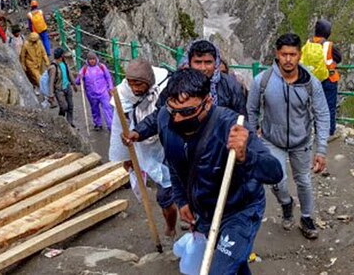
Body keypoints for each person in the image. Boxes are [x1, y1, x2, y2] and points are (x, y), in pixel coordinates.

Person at [124, 68, 283, 274]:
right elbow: (175, 165)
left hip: (240, 210)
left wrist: (246, 156)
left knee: (219, 270)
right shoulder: (165, 119)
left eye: (188, 112)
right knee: (233, 261)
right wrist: (182, 200)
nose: (179, 119)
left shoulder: (231, 128)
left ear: (208, 103)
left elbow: (275, 173)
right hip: (206, 211)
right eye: (174, 110)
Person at [247, 33, 330, 240]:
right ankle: (286, 203)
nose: (288, 59)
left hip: (302, 141)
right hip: (271, 140)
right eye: (284, 54)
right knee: (277, 180)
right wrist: (253, 136)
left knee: (304, 181)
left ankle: (307, 217)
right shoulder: (263, 81)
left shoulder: (311, 83)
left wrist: (321, 150)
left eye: (293, 54)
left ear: (300, 55)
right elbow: (251, 110)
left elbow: (322, 114)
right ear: (277, 54)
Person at [109, 59, 178, 237]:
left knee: (181, 185)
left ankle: (186, 218)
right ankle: (171, 224)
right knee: (164, 195)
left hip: (170, 142)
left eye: (139, 83)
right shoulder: (123, 95)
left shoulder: (166, 88)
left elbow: (160, 117)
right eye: (131, 83)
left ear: (149, 81)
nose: (135, 88)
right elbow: (120, 127)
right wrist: (126, 157)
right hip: (141, 140)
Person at [180, 40, 247, 117]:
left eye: (208, 62)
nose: (203, 68)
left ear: (216, 63)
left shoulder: (231, 86)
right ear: (189, 63)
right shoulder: (178, 85)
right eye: (198, 62)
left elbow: (241, 119)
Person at [302, 19, 343, 136]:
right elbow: (338, 58)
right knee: (329, 107)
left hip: (314, 79)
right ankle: (329, 132)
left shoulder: (308, 43)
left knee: (317, 107)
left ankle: (318, 130)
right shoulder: (328, 45)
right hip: (329, 79)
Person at [75, 52, 115, 131]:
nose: (92, 61)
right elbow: (77, 82)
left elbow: (108, 78)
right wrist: (80, 77)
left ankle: (111, 125)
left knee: (108, 108)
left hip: (103, 92)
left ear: (96, 59)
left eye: (93, 59)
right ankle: (98, 124)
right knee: (95, 109)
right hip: (91, 94)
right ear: (88, 60)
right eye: (90, 59)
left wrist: (110, 87)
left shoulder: (101, 67)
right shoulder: (84, 69)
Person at [46, 48, 78, 127]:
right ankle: (61, 118)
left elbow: (69, 74)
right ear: (61, 56)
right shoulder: (53, 67)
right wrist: (51, 94)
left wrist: (74, 84)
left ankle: (69, 122)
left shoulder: (65, 64)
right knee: (64, 107)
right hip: (59, 89)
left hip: (67, 87)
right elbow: (51, 81)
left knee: (70, 106)